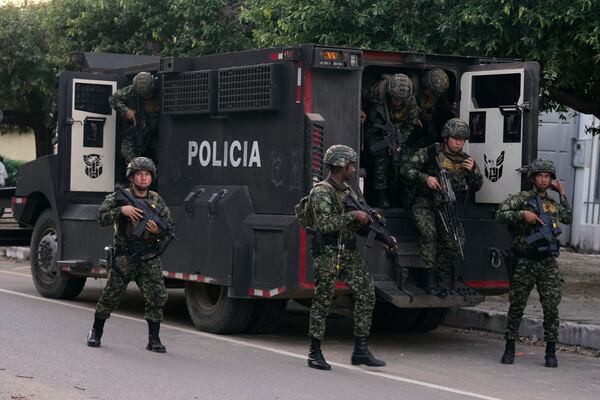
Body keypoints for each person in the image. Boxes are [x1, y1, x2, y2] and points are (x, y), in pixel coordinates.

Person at [305, 145, 385, 370]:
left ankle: (360, 350)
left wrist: (376, 231)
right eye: (350, 164)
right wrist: (353, 215)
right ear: (340, 166)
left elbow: (357, 224)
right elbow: (324, 224)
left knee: (367, 293)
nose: (353, 168)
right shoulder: (321, 192)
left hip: (348, 252)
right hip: (329, 252)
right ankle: (315, 352)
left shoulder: (347, 191)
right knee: (323, 299)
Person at [86, 157, 172, 353]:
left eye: (147, 174)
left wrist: (157, 230)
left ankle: (154, 339)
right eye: (139, 174)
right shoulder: (119, 197)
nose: (143, 178)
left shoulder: (157, 201)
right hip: (124, 256)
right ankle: (95, 332)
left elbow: (167, 227)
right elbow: (100, 217)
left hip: (149, 257)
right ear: (132, 177)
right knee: (111, 296)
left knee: (157, 297)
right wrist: (121, 210)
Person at [496, 158, 572, 368]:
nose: (543, 179)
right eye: (539, 175)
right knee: (517, 306)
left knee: (551, 308)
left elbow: (567, 217)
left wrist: (562, 193)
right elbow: (500, 214)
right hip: (525, 261)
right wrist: (523, 214)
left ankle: (550, 351)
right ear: (532, 178)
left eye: (547, 176)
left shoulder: (553, 203)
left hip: (547, 262)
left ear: (551, 180)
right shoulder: (521, 199)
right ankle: (510, 346)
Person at [399, 118, 483, 294]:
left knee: (456, 241)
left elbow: (477, 187)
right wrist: (426, 178)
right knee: (429, 234)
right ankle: (428, 280)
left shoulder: (466, 160)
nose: (459, 143)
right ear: (446, 137)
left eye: (462, 139)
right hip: (425, 203)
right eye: (455, 138)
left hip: (447, 207)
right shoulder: (431, 153)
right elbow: (405, 169)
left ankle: (439, 275)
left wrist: (474, 171)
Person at [364, 73, 420, 208]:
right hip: (375, 129)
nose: (397, 102)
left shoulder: (411, 101)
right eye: (395, 98)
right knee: (381, 159)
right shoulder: (376, 92)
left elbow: (409, 125)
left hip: (397, 133)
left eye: (401, 99)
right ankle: (380, 196)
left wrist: (399, 141)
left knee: (400, 161)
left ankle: (397, 194)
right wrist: (361, 111)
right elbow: (359, 97)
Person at [109, 72, 160, 164]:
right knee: (126, 151)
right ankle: (138, 171)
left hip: (159, 131)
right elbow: (113, 99)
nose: (146, 97)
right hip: (140, 128)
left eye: (148, 94)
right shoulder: (134, 89)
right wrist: (126, 110)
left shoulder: (160, 89)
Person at [414, 68, 456, 148]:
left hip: (428, 124)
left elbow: (443, 107)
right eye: (432, 92)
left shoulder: (438, 94)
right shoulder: (415, 90)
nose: (434, 95)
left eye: (436, 94)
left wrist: (451, 110)